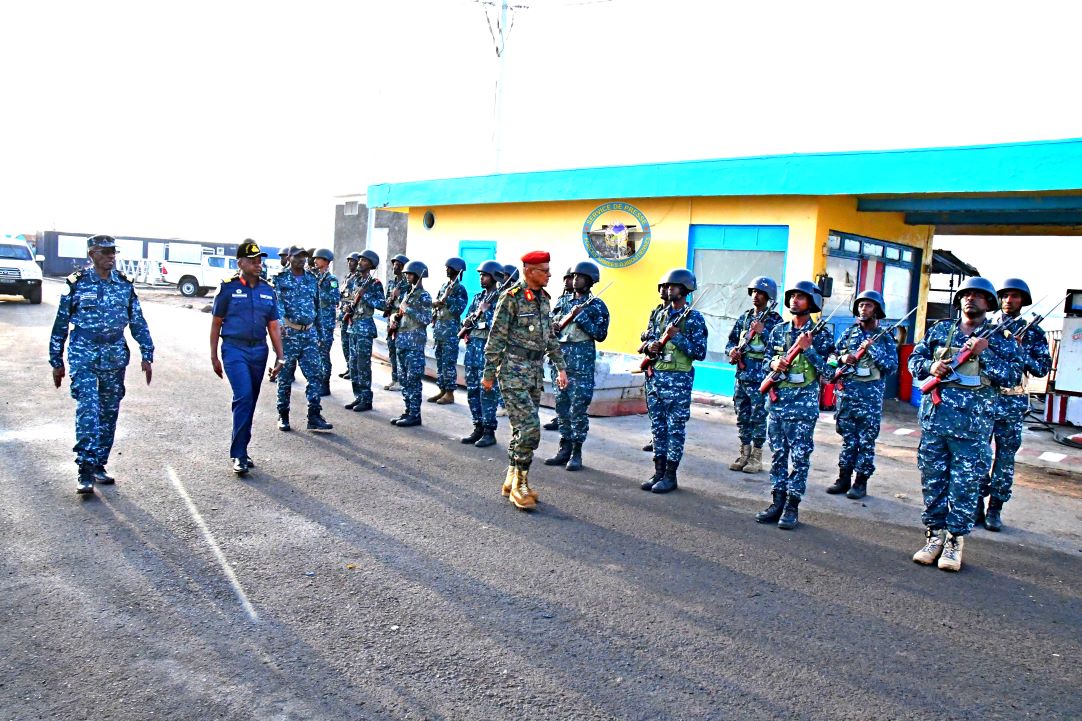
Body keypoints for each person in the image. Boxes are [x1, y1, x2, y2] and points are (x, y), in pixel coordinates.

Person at [909, 277, 1021, 571]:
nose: (971, 299)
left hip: (973, 428)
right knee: (933, 480)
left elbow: (1012, 376)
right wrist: (930, 366)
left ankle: (954, 542)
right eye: (966, 294)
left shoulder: (1000, 338)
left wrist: (984, 357)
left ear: (989, 303)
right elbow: (914, 360)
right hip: (936, 422)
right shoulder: (941, 330)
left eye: (979, 296)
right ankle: (934, 536)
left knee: (965, 485)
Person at [49, 234, 154, 494]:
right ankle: (84, 468)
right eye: (105, 252)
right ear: (91, 254)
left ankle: (98, 464)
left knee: (108, 413)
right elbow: (61, 323)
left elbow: (137, 320)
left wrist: (147, 352)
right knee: (88, 409)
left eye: (113, 252)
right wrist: (56, 360)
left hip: (114, 354)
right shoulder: (77, 284)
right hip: (83, 353)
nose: (111, 256)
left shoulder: (124, 285)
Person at [482, 252, 568, 510]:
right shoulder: (510, 299)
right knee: (530, 427)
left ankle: (511, 478)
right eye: (544, 270)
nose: (549, 274)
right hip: (512, 370)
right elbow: (496, 338)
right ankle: (521, 484)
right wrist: (488, 375)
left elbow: (549, 337)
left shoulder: (544, 300)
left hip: (534, 371)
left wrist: (560, 367)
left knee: (520, 428)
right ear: (529, 271)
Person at [755, 280, 835, 529]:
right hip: (778, 405)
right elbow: (765, 361)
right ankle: (777, 501)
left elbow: (831, 373)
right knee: (778, 455)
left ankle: (792, 506)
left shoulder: (822, 335)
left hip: (803, 408)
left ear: (811, 303)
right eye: (792, 296)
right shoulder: (778, 330)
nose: (794, 301)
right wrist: (773, 364)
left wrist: (808, 351)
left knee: (800, 458)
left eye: (801, 297)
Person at [977, 278, 1052, 531]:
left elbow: (1041, 369)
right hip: (984, 399)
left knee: (1005, 459)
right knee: (978, 455)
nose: (1009, 300)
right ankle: (975, 503)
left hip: (1012, 402)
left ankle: (995, 508)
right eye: (1006, 296)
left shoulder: (1033, 332)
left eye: (1015, 296)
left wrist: (1020, 350)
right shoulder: (987, 328)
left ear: (1024, 301)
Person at [209, 241, 286, 475]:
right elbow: (216, 323)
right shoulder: (227, 289)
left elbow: (273, 326)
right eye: (252, 261)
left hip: (258, 351)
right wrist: (214, 356)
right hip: (234, 349)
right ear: (239, 263)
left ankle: (242, 447)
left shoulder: (267, 290)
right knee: (243, 396)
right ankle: (239, 455)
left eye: (259, 261)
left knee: (250, 400)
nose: (257, 264)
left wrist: (280, 357)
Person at [825, 290, 899, 499]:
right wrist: (841, 359)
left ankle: (860, 482)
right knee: (848, 440)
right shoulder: (849, 333)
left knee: (866, 442)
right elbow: (831, 357)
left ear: (877, 310)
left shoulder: (884, 338)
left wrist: (872, 350)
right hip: (847, 395)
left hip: (870, 399)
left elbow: (892, 367)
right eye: (860, 305)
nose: (862, 309)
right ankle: (843, 478)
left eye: (868, 305)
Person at [640, 268, 708, 493]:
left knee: (674, 429)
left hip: (678, 380)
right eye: (667, 286)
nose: (669, 290)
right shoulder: (658, 313)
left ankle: (670, 475)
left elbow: (699, 351)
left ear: (685, 289)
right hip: (656, 377)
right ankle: (658, 471)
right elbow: (648, 335)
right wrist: (652, 345)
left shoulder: (693, 318)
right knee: (657, 427)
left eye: (674, 286)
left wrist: (677, 336)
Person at [545, 261, 610, 471]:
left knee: (578, 409)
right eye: (573, 276)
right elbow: (552, 322)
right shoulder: (563, 301)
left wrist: (581, 317)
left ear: (590, 280)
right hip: (561, 362)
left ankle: (576, 452)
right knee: (562, 406)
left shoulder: (597, 305)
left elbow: (600, 334)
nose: (574, 280)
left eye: (580, 277)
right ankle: (564, 448)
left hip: (581, 364)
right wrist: (554, 325)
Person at [725, 276, 783, 474]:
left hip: (760, 378)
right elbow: (731, 341)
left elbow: (780, 349)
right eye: (754, 292)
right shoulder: (745, 317)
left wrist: (764, 331)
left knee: (758, 417)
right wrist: (732, 351)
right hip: (741, 376)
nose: (756, 296)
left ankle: (756, 456)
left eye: (760, 293)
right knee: (742, 415)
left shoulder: (776, 321)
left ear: (769, 296)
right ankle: (744, 452)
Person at [274, 247, 333, 432]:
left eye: (303, 257)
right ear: (289, 258)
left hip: (309, 334)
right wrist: (280, 325)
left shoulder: (312, 280)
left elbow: (318, 309)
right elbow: (277, 304)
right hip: (289, 334)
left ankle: (314, 416)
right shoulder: (280, 279)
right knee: (285, 376)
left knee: (316, 375)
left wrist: (321, 334)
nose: (301, 260)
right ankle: (283, 414)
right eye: (297, 256)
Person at [460, 260, 506, 448]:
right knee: (472, 391)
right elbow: (468, 319)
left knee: (487, 392)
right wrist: (471, 319)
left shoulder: (501, 299)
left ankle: (489, 431)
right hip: (473, 351)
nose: (481, 278)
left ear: (494, 277)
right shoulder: (479, 297)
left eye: (485, 275)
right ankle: (477, 426)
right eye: (480, 275)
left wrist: (485, 314)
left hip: (489, 353)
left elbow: (501, 326)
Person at [388, 260, 433, 427]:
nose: (407, 276)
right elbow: (402, 315)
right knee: (404, 380)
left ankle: (415, 414)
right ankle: (408, 410)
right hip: (402, 342)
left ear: (418, 275)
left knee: (413, 380)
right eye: (406, 274)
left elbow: (427, 318)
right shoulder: (409, 294)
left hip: (414, 344)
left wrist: (409, 310)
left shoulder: (424, 296)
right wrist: (395, 318)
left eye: (410, 274)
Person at [343, 250, 385, 412]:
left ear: (371, 265)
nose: (359, 262)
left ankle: (366, 399)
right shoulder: (354, 281)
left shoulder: (374, 284)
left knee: (363, 364)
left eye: (364, 261)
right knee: (353, 363)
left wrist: (365, 296)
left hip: (365, 327)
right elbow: (347, 298)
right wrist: (347, 305)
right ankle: (358, 396)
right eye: (359, 260)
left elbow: (382, 305)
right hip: (352, 326)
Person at [428, 256, 469, 404]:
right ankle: (442, 390)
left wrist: (448, 298)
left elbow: (458, 309)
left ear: (456, 270)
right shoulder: (445, 285)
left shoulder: (459, 289)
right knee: (440, 361)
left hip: (450, 332)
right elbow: (437, 304)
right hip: (439, 330)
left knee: (448, 362)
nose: (446, 270)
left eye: (449, 268)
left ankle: (450, 393)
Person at [543, 268, 575, 432]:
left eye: (570, 278)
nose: (567, 281)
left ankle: (569, 421)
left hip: (572, 353)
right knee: (559, 390)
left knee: (571, 391)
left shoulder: (581, 303)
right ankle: (560, 417)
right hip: (557, 349)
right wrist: (553, 324)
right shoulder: (561, 300)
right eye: (566, 278)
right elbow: (551, 316)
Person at [312, 248, 340, 396]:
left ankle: (325, 384)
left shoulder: (332, 280)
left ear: (326, 262)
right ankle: (317, 381)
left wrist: (319, 292)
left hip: (326, 323)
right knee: (315, 353)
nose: (315, 261)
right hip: (315, 322)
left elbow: (335, 298)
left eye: (318, 259)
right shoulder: (314, 277)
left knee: (324, 353)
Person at [382, 254, 410, 392]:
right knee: (392, 350)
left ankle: (401, 379)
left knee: (400, 351)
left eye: (398, 265)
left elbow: (406, 305)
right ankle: (394, 378)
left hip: (400, 321)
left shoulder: (408, 285)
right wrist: (389, 300)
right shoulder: (392, 283)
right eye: (394, 264)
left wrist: (397, 297)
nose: (395, 267)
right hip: (390, 320)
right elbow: (386, 301)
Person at [337, 252, 362, 379]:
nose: (349, 263)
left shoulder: (358, 278)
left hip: (351, 316)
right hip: (343, 315)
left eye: (352, 261)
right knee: (345, 344)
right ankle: (349, 367)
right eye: (348, 261)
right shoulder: (347, 277)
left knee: (352, 346)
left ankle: (354, 370)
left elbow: (354, 296)